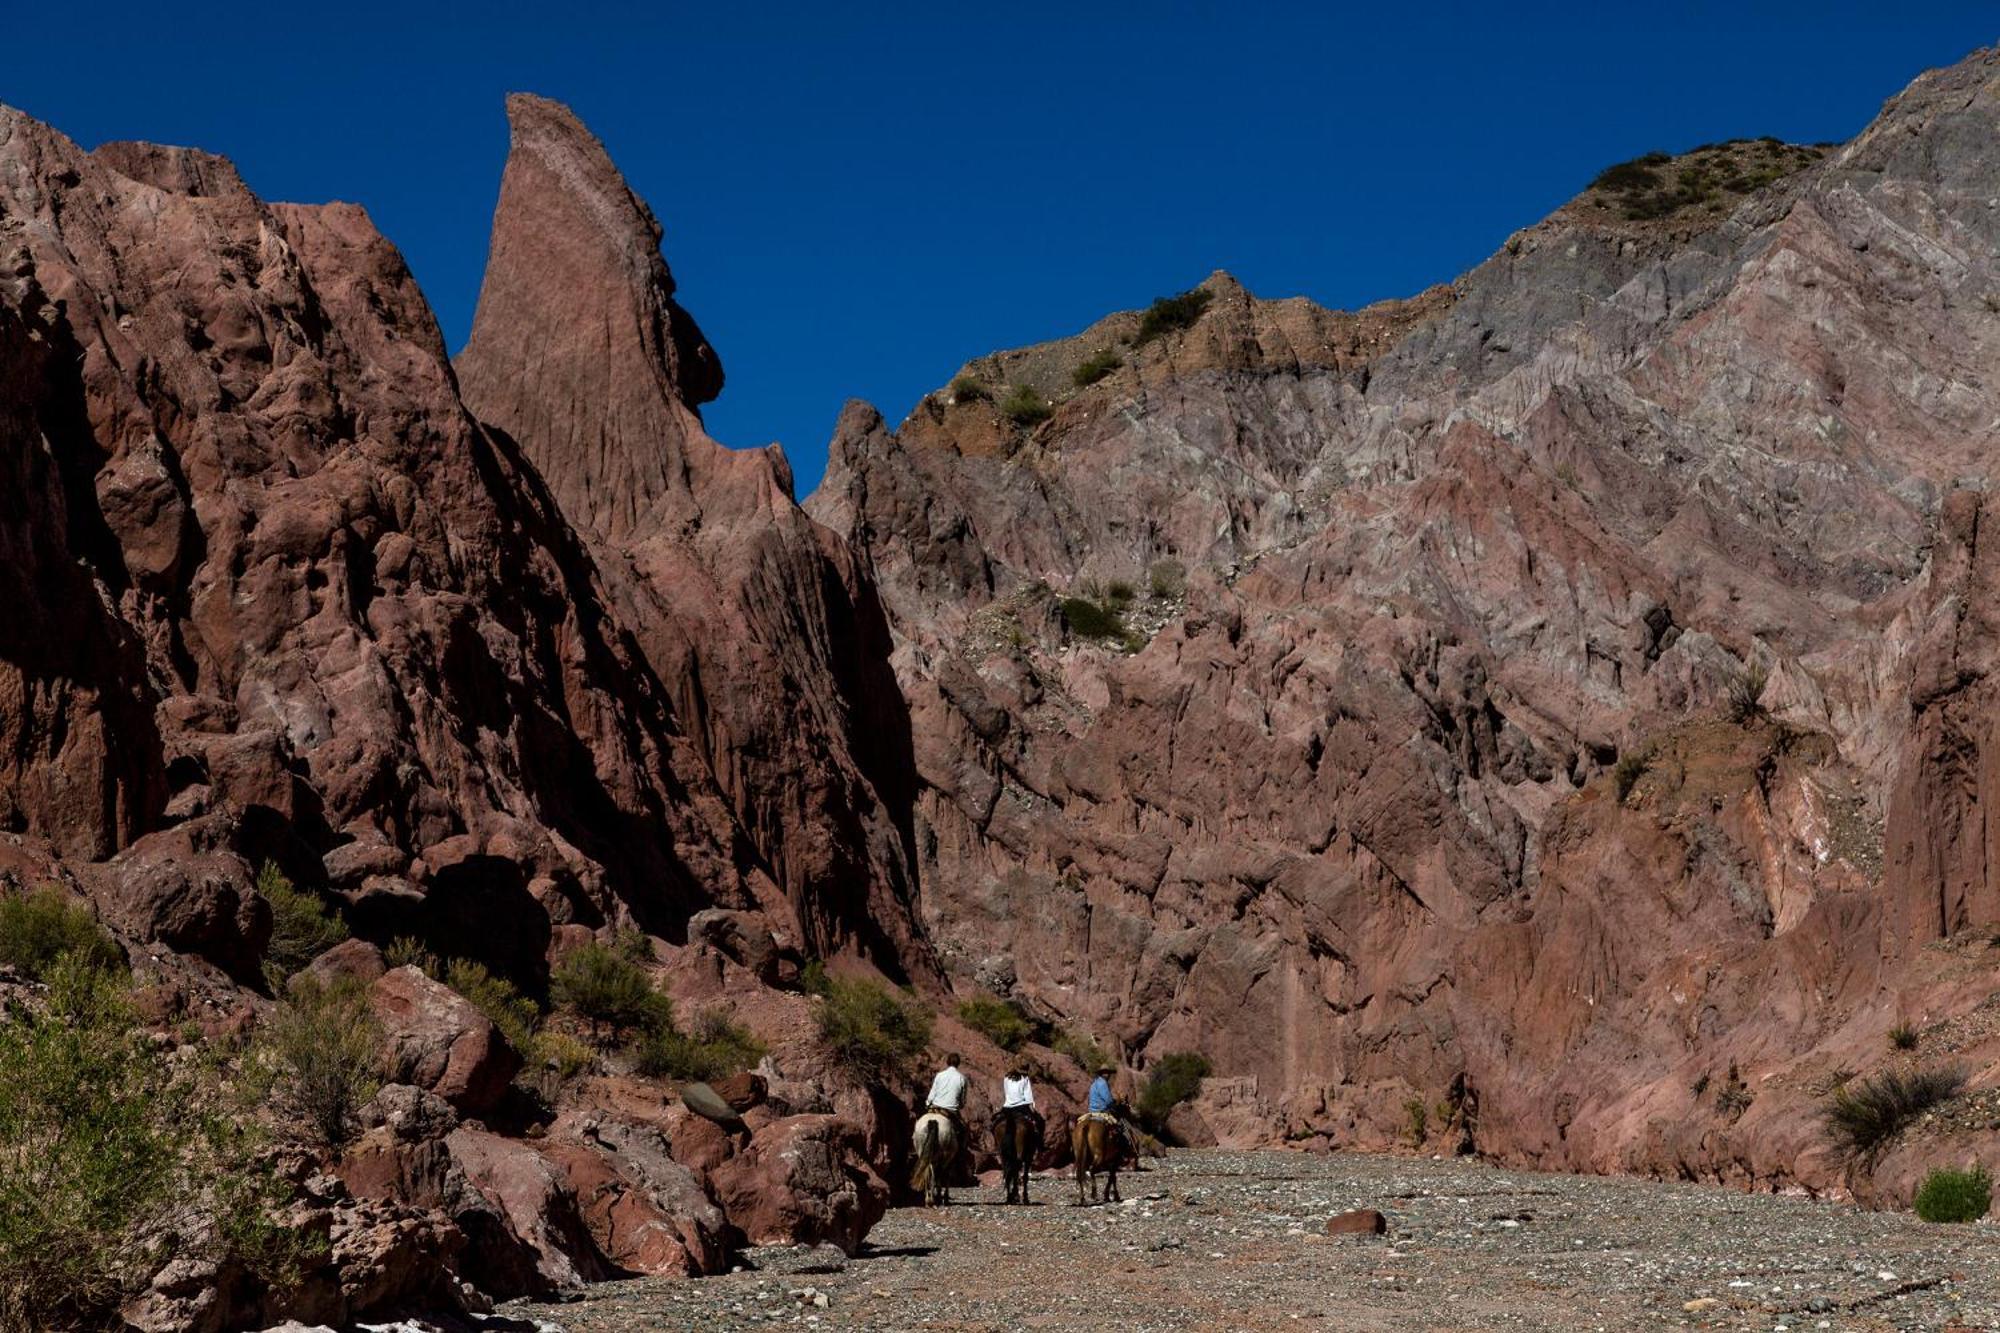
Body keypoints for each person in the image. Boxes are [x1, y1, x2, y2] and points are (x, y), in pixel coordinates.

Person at [924, 1052, 969, 1172]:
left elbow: (932, 1094)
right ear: (958, 1064)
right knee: (963, 1133)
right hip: (950, 1112)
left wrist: (928, 1103)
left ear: (947, 1062)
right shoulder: (962, 1078)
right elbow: (962, 1102)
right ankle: (960, 1160)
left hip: (934, 1107)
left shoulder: (939, 1075)